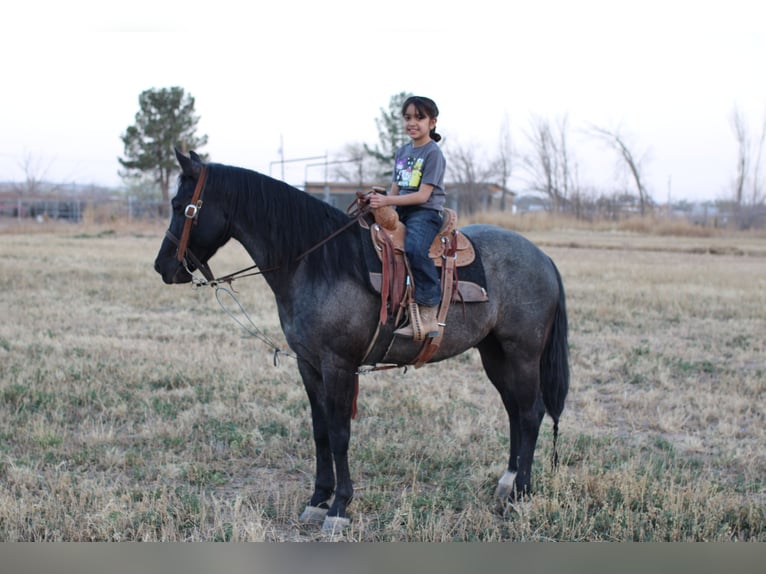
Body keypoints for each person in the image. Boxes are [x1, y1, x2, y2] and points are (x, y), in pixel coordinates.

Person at [368, 96, 446, 340]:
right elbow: (395, 189)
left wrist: (389, 202)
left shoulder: (433, 153)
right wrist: (380, 204)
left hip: (425, 213)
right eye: (408, 117)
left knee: (414, 248)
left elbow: (423, 195)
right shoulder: (403, 151)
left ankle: (428, 309)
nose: (412, 122)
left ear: (432, 122)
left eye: (419, 118)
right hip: (402, 209)